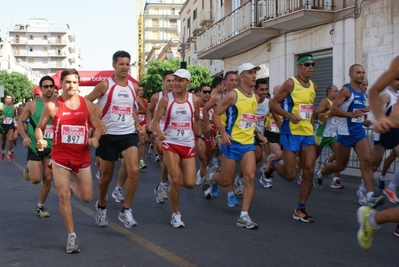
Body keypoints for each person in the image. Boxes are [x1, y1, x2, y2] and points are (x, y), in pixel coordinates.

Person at [35, 68, 102, 254]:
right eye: (67, 82)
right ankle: (71, 236)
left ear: (78, 83)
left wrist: (95, 139)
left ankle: (72, 186)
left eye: (74, 82)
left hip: (81, 157)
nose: (71, 85)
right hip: (60, 157)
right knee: (63, 195)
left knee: (87, 197)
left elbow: (96, 127)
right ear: (61, 84)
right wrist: (40, 139)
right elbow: (39, 128)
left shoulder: (86, 104)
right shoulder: (52, 106)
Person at [202, 63, 267, 229]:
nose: (254, 76)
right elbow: (216, 114)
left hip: (247, 144)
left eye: (255, 73)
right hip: (232, 143)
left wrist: (258, 135)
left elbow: (249, 121)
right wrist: (223, 133)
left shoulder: (255, 97)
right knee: (225, 180)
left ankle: (244, 216)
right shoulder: (233, 95)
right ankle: (211, 177)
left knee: (250, 176)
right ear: (242, 77)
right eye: (250, 73)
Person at [86, 50, 143, 229]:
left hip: (127, 134)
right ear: (114, 65)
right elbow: (86, 102)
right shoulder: (105, 85)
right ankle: (101, 206)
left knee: (134, 170)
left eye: (127, 64)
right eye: (121, 64)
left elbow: (130, 108)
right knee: (106, 177)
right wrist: (97, 120)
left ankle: (126, 210)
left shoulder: (133, 88)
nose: (125, 67)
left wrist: (137, 125)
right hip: (108, 135)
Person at [315, 64, 384, 208]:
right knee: (341, 165)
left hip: (358, 132)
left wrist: (363, 121)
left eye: (363, 72)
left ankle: (369, 195)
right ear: (351, 74)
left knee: (367, 162)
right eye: (358, 72)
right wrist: (351, 114)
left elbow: (356, 113)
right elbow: (334, 109)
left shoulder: (362, 93)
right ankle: (320, 173)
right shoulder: (346, 90)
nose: (362, 75)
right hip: (345, 133)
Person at [151, 69, 205, 228]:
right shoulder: (166, 100)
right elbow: (155, 122)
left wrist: (199, 137)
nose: (176, 83)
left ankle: (167, 187)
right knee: (175, 179)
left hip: (187, 143)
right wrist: (160, 134)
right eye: (174, 80)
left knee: (189, 183)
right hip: (170, 143)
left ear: (188, 83)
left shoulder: (194, 100)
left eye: (180, 80)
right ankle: (175, 214)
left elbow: (196, 120)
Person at [269, 54, 318, 223]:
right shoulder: (291, 83)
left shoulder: (314, 86)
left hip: (307, 134)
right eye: (307, 64)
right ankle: (273, 164)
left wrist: (315, 120)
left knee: (309, 169)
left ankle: (300, 208)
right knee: (291, 175)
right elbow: (273, 104)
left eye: (313, 64)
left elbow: (309, 109)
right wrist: (288, 116)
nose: (310, 67)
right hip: (290, 132)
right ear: (299, 67)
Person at [357, 55, 399, 249]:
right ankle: (367, 190)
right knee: (372, 163)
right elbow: (374, 91)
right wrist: (380, 117)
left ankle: (374, 218)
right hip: (388, 130)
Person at [18, 76, 56, 218]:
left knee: (48, 177)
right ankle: (29, 168)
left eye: (51, 86)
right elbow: (20, 122)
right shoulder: (32, 105)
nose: (48, 89)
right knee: (35, 179)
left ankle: (40, 206)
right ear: (40, 89)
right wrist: (25, 137)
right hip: (35, 146)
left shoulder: (58, 105)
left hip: (51, 147)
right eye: (45, 86)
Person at [202, 71, 240, 206]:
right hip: (222, 134)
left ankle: (213, 180)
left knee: (227, 167)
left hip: (239, 135)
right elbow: (205, 109)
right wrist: (207, 124)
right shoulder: (219, 98)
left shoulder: (241, 97)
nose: (234, 83)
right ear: (225, 83)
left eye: (236, 81)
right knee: (227, 165)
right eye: (231, 81)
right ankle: (230, 195)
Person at [148, 71, 175, 204]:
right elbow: (149, 109)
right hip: (159, 129)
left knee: (171, 161)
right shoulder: (156, 97)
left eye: (173, 81)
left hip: (173, 131)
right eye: (168, 81)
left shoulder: (178, 97)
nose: (171, 83)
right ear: (163, 82)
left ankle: (161, 185)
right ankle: (163, 186)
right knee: (165, 155)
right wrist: (149, 122)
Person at [313, 85, 342, 189]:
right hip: (322, 134)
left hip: (332, 135)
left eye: (338, 91)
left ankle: (335, 179)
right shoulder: (326, 102)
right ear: (329, 93)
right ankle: (304, 174)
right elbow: (317, 113)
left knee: (339, 156)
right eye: (335, 91)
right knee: (314, 157)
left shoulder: (338, 104)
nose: (337, 93)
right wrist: (325, 114)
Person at [0, 94, 16, 161]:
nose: (9, 100)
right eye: (7, 98)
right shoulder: (1, 107)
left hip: (10, 125)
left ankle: (9, 153)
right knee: (3, 141)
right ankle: (3, 151)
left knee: (10, 139)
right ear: (5, 99)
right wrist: (0, 117)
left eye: (10, 98)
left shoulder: (14, 108)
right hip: (2, 125)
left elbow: (15, 116)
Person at [137, 84, 149, 169]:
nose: (141, 92)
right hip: (132, 123)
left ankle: (141, 161)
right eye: (139, 90)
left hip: (143, 123)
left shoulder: (145, 100)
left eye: (142, 90)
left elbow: (146, 111)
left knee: (142, 142)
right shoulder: (131, 100)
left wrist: (137, 111)